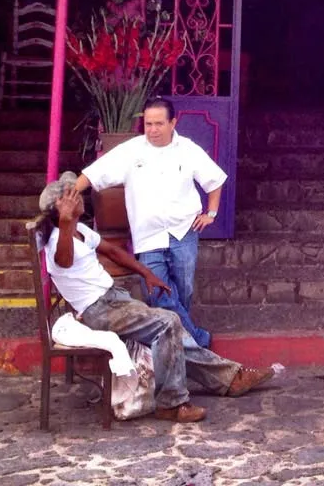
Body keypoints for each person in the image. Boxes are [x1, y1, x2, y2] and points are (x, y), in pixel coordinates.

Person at [36, 173, 275, 423]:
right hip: (97, 311)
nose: (81, 198)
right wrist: (64, 222)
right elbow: (63, 262)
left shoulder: (80, 230)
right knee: (166, 323)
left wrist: (147, 273)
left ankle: (229, 379)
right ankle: (171, 403)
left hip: (113, 299)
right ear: (63, 207)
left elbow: (113, 251)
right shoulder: (58, 242)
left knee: (175, 331)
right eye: (74, 196)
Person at [69, 98, 222, 349]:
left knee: (183, 291)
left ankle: (179, 344)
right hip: (148, 236)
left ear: (173, 123)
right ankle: (196, 341)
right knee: (157, 293)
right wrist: (68, 196)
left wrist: (211, 214)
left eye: (159, 124)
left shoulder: (188, 149)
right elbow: (95, 172)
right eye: (148, 124)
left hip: (184, 231)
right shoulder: (132, 150)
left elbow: (214, 181)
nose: (152, 130)